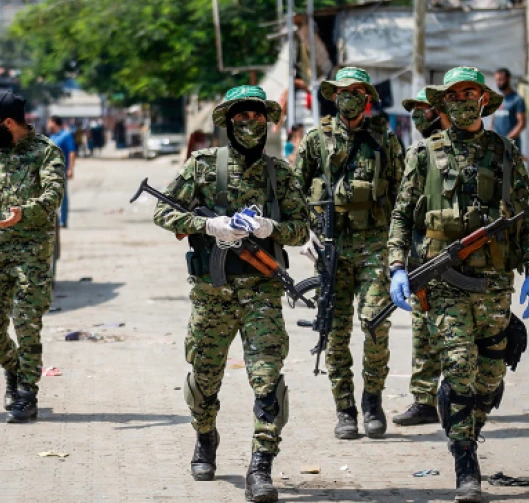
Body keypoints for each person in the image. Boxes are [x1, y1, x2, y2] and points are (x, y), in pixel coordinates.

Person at [388, 67, 529, 502]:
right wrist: (397, 266)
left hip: (494, 284)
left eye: (468, 94)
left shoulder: (505, 152)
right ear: (443, 104)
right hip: (444, 285)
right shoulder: (423, 154)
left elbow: (527, 217)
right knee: (459, 367)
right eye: (452, 95)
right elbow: (402, 216)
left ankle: (465, 423)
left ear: (482, 101)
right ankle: (465, 462)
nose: (459, 101)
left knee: (491, 376)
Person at [153, 85, 308, 503]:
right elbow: (163, 211)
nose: (250, 123)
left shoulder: (280, 172)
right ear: (227, 121)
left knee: (267, 381)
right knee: (204, 379)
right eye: (241, 116)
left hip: (262, 294)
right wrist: (209, 226)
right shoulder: (202, 166)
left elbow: (302, 228)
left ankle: (260, 466)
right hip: (212, 295)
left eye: (257, 116)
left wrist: (271, 229)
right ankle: (205, 438)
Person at [293, 67, 405, 440]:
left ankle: (372, 400)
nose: (350, 96)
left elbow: (405, 194)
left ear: (368, 97)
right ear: (334, 96)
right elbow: (293, 191)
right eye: (343, 91)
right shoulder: (315, 140)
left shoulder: (384, 139)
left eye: (357, 90)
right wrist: (303, 234)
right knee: (335, 332)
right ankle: (345, 409)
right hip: (331, 245)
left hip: (375, 241)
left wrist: (403, 249)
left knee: (375, 323)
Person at [0, 91, 65, 423]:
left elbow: (54, 196)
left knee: (26, 322)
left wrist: (22, 214)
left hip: (33, 252)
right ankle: (13, 370)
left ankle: (26, 394)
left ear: (9, 122)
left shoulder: (46, 152)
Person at [393, 88, 450, 427]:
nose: (417, 117)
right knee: (423, 328)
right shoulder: (418, 151)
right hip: (424, 252)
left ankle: (467, 396)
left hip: (459, 252)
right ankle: (424, 399)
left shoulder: (460, 147)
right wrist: (399, 262)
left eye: (423, 110)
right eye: (413, 111)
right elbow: (406, 207)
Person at [47, 115, 76, 228]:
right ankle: (53, 219)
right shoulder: (52, 137)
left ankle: (63, 220)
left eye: (49, 122)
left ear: (54, 122)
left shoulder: (66, 135)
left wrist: (70, 169)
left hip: (61, 170)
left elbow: (72, 152)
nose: (48, 125)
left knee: (62, 196)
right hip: (50, 171)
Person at [490, 68, 526, 150]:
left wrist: (506, 140)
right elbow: (493, 123)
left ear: (508, 79)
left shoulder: (517, 99)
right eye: (497, 80)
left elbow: (522, 124)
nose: (498, 83)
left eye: (500, 79)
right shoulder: (496, 100)